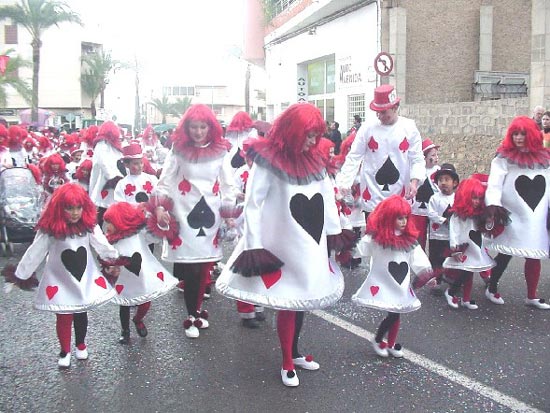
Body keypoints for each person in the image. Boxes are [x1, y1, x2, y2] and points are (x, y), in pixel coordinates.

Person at [216, 103, 354, 387]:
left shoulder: (316, 161)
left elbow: (327, 197)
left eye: (317, 136)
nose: (314, 142)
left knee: (302, 297)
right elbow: (253, 205)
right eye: (309, 135)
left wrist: (334, 233)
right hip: (281, 242)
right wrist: (254, 246)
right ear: (293, 132)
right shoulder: (268, 161)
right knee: (289, 301)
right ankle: (287, 361)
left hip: (310, 242)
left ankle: (295, 352)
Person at [2, 183, 119, 368]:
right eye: (69, 208)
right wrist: (20, 274)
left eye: (78, 207)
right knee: (63, 314)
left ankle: (81, 344)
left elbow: (101, 244)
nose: (74, 213)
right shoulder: (50, 230)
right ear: (59, 208)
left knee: (81, 312)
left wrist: (113, 258)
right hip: (60, 278)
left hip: (83, 277)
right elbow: (35, 252)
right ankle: (65, 350)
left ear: (84, 207)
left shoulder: (88, 227)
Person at [153, 104, 235, 339]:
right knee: (190, 268)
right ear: (186, 128)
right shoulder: (177, 150)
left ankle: (197, 311)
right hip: (182, 213)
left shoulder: (221, 151)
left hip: (210, 215)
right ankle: (191, 314)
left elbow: (228, 184)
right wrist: (160, 207)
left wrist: (229, 214)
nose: (198, 131)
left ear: (210, 127)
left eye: (202, 126)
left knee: (204, 267)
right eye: (193, 127)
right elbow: (165, 181)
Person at [352, 195, 433, 358]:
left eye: (405, 218)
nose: (403, 222)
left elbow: (417, 257)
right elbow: (361, 248)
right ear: (389, 218)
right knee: (394, 313)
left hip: (400, 282)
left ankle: (390, 342)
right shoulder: (377, 237)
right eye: (399, 218)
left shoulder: (409, 239)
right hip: (383, 281)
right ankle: (378, 339)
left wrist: (426, 273)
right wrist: (347, 249)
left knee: (397, 312)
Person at [485, 116, 550, 309]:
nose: (519, 137)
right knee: (506, 253)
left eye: (522, 133)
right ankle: (492, 286)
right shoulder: (504, 157)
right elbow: (495, 182)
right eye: (515, 134)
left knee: (534, 253)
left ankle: (532, 295)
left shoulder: (545, 159)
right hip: (512, 212)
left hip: (536, 214)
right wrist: (494, 205)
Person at [337, 84, 425, 220]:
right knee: (374, 238)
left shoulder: (409, 128)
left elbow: (417, 158)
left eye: (383, 112)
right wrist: (345, 183)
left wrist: (415, 182)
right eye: (377, 112)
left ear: (395, 108)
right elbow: (354, 156)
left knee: (398, 238)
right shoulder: (367, 128)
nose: (379, 116)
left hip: (400, 196)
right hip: (372, 196)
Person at [103, 202, 178, 344]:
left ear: (120, 221)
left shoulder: (138, 233)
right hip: (124, 277)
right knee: (124, 304)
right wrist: (109, 267)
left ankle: (138, 319)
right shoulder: (110, 240)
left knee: (145, 302)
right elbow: (105, 256)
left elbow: (155, 237)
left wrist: (160, 224)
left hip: (143, 275)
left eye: (110, 223)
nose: (107, 227)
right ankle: (125, 331)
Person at [441, 178, 495, 309]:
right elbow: (454, 232)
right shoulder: (457, 215)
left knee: (470, 273)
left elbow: (485, 230)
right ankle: (451, 292)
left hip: (475, 248)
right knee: (465, 274)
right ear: (465, 197)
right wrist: (455, 249)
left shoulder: (478, 215)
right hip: (464, 249)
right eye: (474, 198)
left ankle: (466, 298)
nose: (477, 201)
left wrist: (489, 221)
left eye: (479, 198)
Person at [427, 163, 459, 289]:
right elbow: (431, 213)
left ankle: (452, 278)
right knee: (436, 259)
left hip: (451, 236)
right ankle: (436, 281)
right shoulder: (434, 198)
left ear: (454, 183)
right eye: (440, 180)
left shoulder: (457, 198)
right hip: (436, 236)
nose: (443, 183)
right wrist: (443, 220)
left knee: (450, 258)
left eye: (447, 179)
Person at [89, 121, 124, 227]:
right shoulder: (102, 143)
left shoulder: (113, 144)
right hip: (105, 180)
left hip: (115, 179)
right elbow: (102, 161)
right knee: (102, 206)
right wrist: (111, 176)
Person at [410, 138, 441, 250]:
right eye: (432, 155)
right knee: (419, 238)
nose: (436, 157)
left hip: (434, 210)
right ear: (425, 157)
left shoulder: (439, 171)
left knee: (435, 238)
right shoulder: (417, 172)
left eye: (436, 154)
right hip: (418, 211)